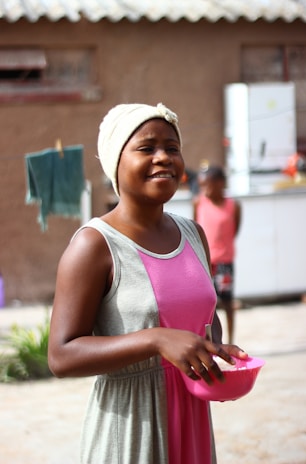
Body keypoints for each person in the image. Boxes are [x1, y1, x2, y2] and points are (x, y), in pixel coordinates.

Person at [48, 103, 248, 464]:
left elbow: (206, 314)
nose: (164, 158)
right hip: (132, 429)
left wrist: (213, 349)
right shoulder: (94, 245)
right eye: (147, 148)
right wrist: (155, 339)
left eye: (172, 148)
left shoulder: (192, 234)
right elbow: (61, 356)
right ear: (115, 162)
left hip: (192, 419)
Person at [194, 165, 241, 344]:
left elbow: (234, 229)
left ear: (220, 183)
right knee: (204, 303)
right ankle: (206, 340)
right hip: (203, 262)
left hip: (224, 262)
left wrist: (222, 249)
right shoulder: (199, 202)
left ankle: (230, 339)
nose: (204, 190)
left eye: (208, 185)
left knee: (227, 302)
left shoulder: (233, 206)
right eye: (201, 186)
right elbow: (195, 229)